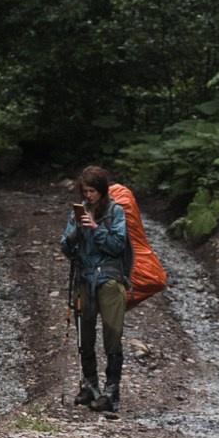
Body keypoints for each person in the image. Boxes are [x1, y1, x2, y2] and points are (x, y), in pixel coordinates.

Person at [60, 164, 131, 413]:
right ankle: (89, 385)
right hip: (84, 279)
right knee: (85, 335)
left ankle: (111, 392)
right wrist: (74, 234)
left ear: (102, 190)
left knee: (112, 335)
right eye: (85, 191)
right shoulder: (78, 212)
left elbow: (118, 246)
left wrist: (96, 229)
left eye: (92, 191)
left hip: (109, 279)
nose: (88, 195)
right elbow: (65, 247)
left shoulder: (115, 212)